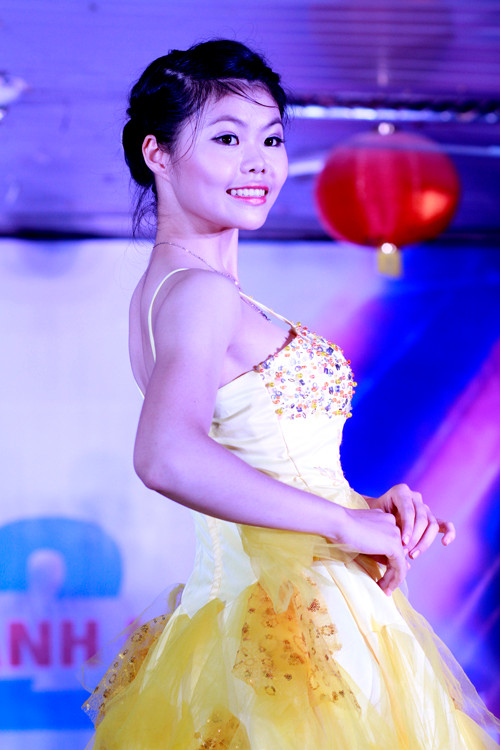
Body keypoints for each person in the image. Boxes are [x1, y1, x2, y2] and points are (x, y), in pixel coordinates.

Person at [83, 39, 500, 748]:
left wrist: (365, 508)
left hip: (274, 615)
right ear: (158, 154)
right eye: (227, 138)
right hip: (297, 626)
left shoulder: (178, 292)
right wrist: (341, 525)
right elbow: (166, 455)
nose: (259, 162)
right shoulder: (201, 294)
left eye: (271, 139)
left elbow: (261, 461)